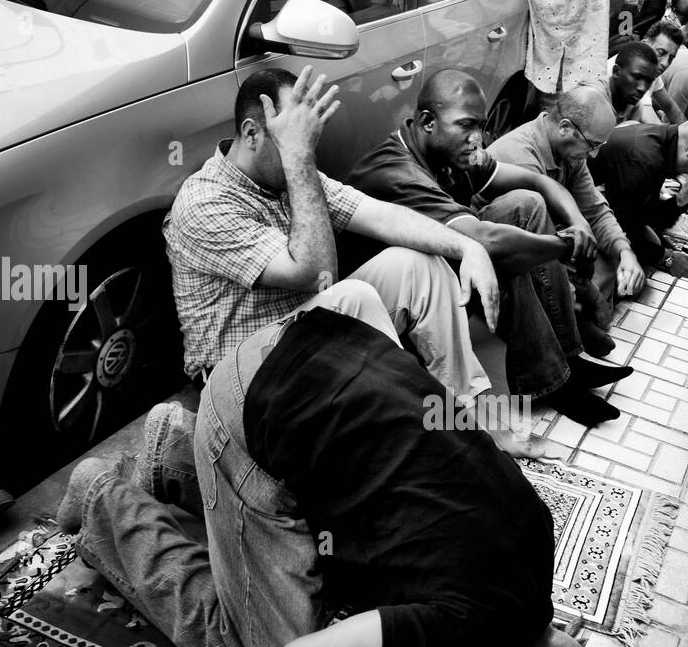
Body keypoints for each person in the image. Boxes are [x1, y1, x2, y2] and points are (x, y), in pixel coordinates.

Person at [56, 307, 595, 647]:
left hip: (327, 348)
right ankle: (104, 498)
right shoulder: (467, 631)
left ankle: (174, 451)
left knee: (333, 575)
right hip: (257, 401)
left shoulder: (536, 549)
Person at [163, 67, 499, 413]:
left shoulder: (288, 177)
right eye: (294, 142)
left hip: (304, 338)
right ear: (252, 134)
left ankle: (471, 414)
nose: (306, 153)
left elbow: (383, 216)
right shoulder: (205, 202)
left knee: (419, 264)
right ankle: (411, 421)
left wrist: (469, 247)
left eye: (309, 141)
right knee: (354, 296)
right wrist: (298, 157)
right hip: (241, 381)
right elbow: (314, 272)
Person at [344, 69, 632, 427]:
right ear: (427, 121)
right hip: (391, 308)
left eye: (480, 126)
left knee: (526, 203)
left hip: (441, 268)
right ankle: (549, 380)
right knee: (503, 252)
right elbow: (484, 242)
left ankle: (567, 358)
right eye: (466, 125)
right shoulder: (399, 172)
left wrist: (577, 223)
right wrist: (563, 245)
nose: (477, 139)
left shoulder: (454, 152)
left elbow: (536, 180)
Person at [486, 85, 647, 351]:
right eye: (593, 144)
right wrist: (590, 292)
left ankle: (577, 307)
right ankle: (572, 328)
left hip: (550, 239)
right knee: (571, 260)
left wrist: (625, 252)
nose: (594, 154)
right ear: (564, 128)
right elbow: (542, 240)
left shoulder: (570, 151)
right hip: (511, 251)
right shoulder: (520, 155)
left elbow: (594, 210)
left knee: (609, 250)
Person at [590, 115, 688, 277]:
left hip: (616, 202)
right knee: (630, 277)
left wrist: (679, 200)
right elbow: (621, 228)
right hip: (581, 206)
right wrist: (666, 258)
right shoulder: (643, 160)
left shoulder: (664, 142)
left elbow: (652, 216)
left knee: (653, 241)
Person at [608, 40, 660, 124]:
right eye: (637, 77)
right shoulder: (591, 100)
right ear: (616, 72)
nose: (642, 88)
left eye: (649, 81)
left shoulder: (635, 107)